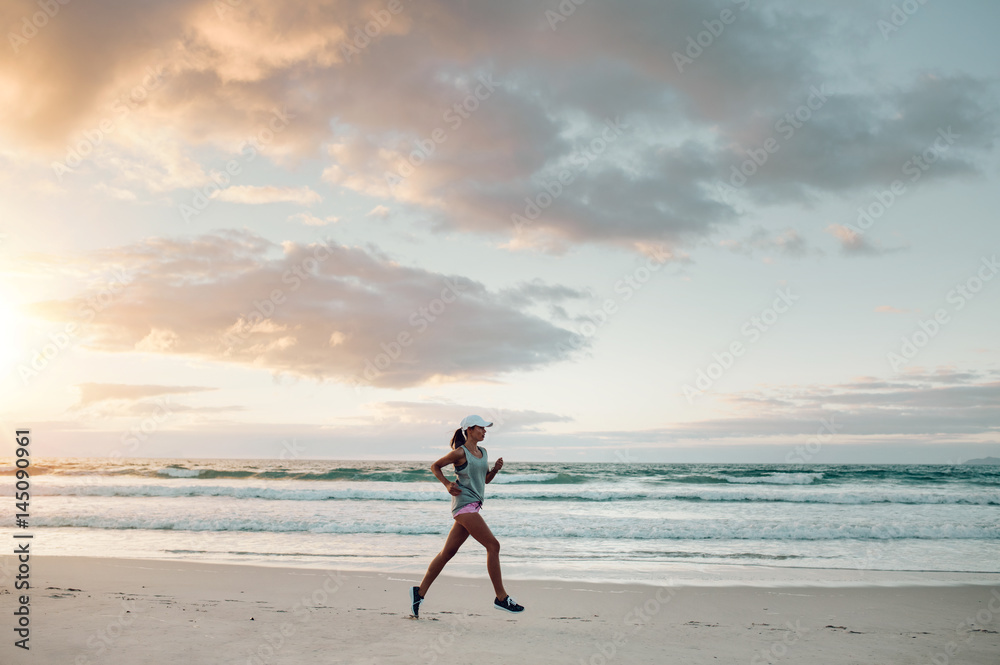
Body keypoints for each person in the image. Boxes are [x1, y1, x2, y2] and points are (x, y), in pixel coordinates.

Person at [409, 414, 525, 618]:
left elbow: (485, 480)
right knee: (493, 545)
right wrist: (446, 484)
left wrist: (496, 470)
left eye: (485, 428)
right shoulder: (459, 453)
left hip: (474, 505)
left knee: (447, 553)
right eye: (481, 427)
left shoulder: (483, 452)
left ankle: (419, 592)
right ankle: (501, 598)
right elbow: (435, 466)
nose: (485, 431)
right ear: (470, 429)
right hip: (463, 505)